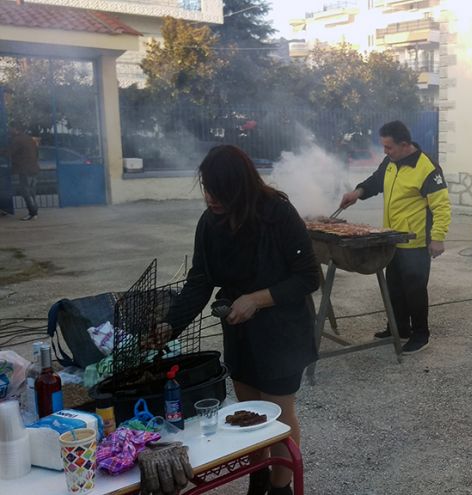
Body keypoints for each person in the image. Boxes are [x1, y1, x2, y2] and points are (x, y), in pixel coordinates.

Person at [152, 145, 320, 495]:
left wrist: (257, 299)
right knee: (248, 412)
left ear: (241, 185)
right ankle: (258, 478)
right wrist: (170, 324)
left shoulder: (277, 212)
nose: (211, 198)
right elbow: (200, 281)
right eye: (207, 188)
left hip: (283, 330)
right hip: (240, 330)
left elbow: (308, 276)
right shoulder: (210, 223)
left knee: (276, 414)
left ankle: (281, 487)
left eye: (220, 190)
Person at [338, 120, 451, 354]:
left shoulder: (427, 167)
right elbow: (376, 181)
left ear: (404, 144)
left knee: (414, 290)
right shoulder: (390, 162)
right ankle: (399, 328)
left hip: (415, 241)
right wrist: (357, 193)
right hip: (391, 239)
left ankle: (421, 335)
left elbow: (441, 206)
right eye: (384, 147)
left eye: (389, 147)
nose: (385, 152)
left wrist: (437, 237)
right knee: (394, 288)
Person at [8, 123, 40, 221]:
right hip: (34, 168)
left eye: (10, 128)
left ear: (15, 129)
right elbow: (37, 153)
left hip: (25, 169)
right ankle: (35, 212)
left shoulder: (17, 139)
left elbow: (9, 152)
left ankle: (32, 213)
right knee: (32, 191)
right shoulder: (30, 139)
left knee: (25, 192)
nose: (9, 130)